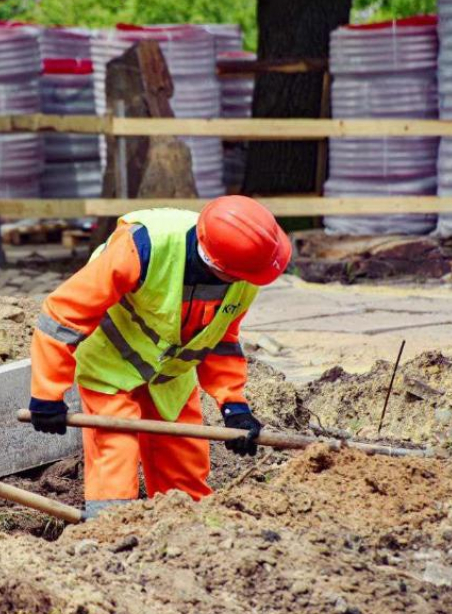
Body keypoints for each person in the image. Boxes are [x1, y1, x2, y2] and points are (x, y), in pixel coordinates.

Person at [27, 197, 291, 517]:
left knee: (184, 462)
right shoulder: (144, 246)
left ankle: (189, 535)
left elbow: (220, 340)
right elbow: (62, 315)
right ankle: (109, 537)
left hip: (169, 377)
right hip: (109, 367)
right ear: (217, 265)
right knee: (116, 453)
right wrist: (47, 394)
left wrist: (233, 405)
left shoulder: (246, 272)